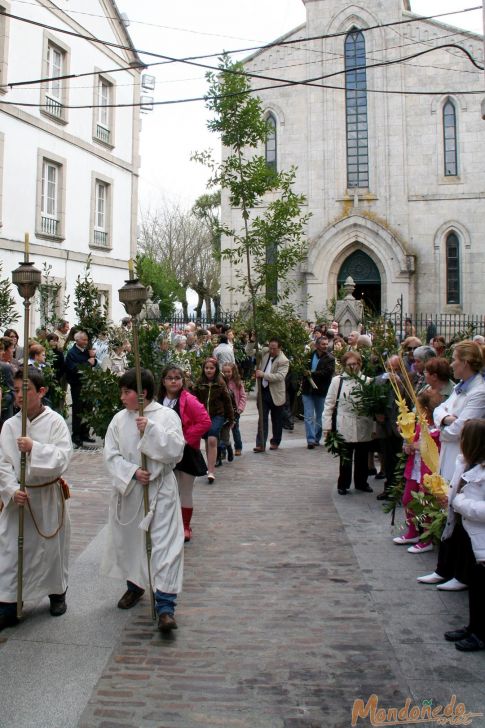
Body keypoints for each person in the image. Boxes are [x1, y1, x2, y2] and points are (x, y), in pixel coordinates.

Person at [102, 368, 185, 633]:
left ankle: (165, 606)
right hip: (132, 492)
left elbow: (176, 450)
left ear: (142, 393)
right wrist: (133, 472)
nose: (121, 397)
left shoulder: (166, 416)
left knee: (164, 546)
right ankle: (135, 586)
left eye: (126, 392)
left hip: (160, 492)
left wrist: (150, 430)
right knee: (133, 544)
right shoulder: (118, 420)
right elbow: (111, 455)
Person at [0, 370, 73, 631]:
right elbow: (2, 463)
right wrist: (10, 489)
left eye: (25, 389)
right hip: (19, 499)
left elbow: (63, 457)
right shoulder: (10, 425)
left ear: (41, 392)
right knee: (11, 550)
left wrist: (34, 448)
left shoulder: (55, 422)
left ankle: (57, 593)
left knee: (50, 550)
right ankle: (9, 602)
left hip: (46, 495)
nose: (19, 395)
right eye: (16, 390)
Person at [443, 419, 485, 651]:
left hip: (482, 538)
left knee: (481, 587)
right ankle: (473, 627)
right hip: (469, 532)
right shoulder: (467, 464)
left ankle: (480, 633)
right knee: (475, 587)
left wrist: (460, 503)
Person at [158, 365, 211, 543]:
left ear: (182, 381)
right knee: (167, 489)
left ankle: (185, 526)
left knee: (185, 490)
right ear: (163, 381)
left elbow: (204, 421)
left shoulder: (189, 400)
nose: (174, 381)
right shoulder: (158, 401)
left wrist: (185, 438)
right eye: (170, 378)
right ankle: (169, 524)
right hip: (166, 451)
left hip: (186, 452)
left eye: (177, 378)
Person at [392, 389, 442, 552]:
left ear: (426, 409)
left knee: (425, 504)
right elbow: (414, 441)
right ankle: (412, 531)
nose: (415, 409)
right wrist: (409, 446)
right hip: (415, 467)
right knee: (407, 499)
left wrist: (418, 446)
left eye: (418, 406)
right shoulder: (420, 423)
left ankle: (427, 538)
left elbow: (433, 445)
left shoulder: (438, 426)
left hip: (428, 471)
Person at [323, 351, 374, 495]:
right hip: (344, 423)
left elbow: (374, 407)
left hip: (364, 423)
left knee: (362, 456)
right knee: (345, 456)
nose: (352, 367)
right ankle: (343, 484)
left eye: (355, 364)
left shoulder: (368, 381)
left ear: (360, 364)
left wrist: (374, 427)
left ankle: (361, 482)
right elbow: (329, 404)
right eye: (349, 365)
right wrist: (327, 426)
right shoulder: (337, 381)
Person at [433, 341, 485, 482]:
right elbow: (438, 410)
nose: (451, 364)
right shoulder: (459, 387)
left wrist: (440, 429)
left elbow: (460, 430)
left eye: (454, 359)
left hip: (460, 461)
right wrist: (446, 419)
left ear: (465, 363)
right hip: (447, 455)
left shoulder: (479, 392)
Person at [192, 357, 234, 483]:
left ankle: (211, 471)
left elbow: (228, 401)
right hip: (203, 416)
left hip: (217, 415)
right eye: (206, 368)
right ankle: (209, 465)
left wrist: (231, 418)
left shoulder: (220, 383)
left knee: (212, 439)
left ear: (216, 370)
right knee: (207, 440)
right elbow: (193, 399)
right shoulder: (199, 383)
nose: (209, 370)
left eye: (211, 368)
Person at [253, 338, 290, 453]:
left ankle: (275, 441)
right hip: (263, 391)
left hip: (275, 393)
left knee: (276, 419)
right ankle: (260, 444)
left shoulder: (284, 360)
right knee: (262, 419)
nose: (272, 350)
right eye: (270, 348)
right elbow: (250, 352)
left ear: (280, 348)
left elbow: (279, 377)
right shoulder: (265, 352)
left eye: (274, 348)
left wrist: (263, 375)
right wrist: (251, 341)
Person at [301, 335, 335, 449]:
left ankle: (316, 437)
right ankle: (310, 439)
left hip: (321, 391)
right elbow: (303, 369)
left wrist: (312, 374)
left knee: (320, 415)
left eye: (326, 344)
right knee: (308, 415)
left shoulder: (330, 358)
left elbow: (327, 372)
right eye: (323, 344)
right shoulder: (309, 356)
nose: (325, 346)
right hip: (308, 390)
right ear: (317, 345)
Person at [64, 331, 97, 447]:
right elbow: (73, 369)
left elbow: (93, 364)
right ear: (77, 340)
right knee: (78, 410)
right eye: (84, 340)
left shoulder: (87, 352)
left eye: (87, 340)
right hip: (77, 384)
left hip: (88, 383)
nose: (86, 342)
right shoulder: (72, 353)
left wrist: (93, 358)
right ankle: (76, 436)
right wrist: (88, 362)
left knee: (88, 408)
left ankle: (85, 434)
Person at [222, 363, 247, 456]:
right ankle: (223, 450)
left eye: (228, 371)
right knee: (224, 431)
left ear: (233, 371)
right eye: (224, 372)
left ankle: (238, 447)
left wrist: (240, 409)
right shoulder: (221, 382)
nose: (226, 373)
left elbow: (243, 396)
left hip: (235, 411)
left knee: (235, 429)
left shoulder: (237, 382)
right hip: (224, 411)